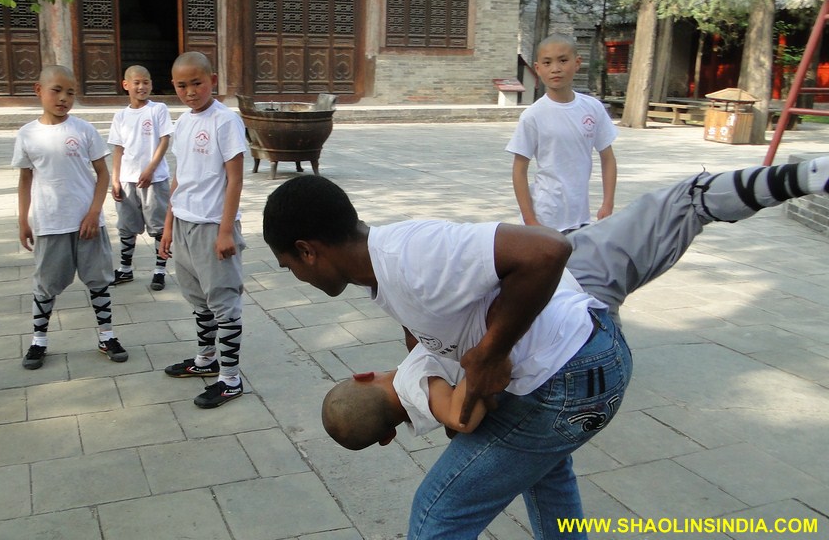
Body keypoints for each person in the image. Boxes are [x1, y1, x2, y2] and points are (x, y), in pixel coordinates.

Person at [263, 153, 829, 540]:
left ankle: (792, 177)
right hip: (583, 339)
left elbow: (545, 250)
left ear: (309, 250)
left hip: (568, 368)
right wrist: (453, 353)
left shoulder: (408, 256)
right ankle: (769, 182)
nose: (294, 276)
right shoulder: (386, 277)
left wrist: (487, 354)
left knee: (436, 516)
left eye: (287, 266)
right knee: (541, 470)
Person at [320, 156, 829, 455]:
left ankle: (803, 176)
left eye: (288, 264)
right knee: (686, 200)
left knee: (685, 203)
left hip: (565, 278)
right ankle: (798, 176)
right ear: (364, 375)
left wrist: (478, 359)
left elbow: (538, 255)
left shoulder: (399, 271)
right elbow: (456, 400)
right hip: (571, 291)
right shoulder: (402, 343)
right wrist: (479, 369)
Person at [13, 65, 127, 369]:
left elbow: (102, 174)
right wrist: (23, 219)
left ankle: (107, 335)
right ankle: (39, 341)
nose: (64, 98)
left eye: (70, 92)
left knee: (98, 280)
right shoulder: (27, 134)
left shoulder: (84, 130)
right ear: (39, 90)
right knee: (46, 284)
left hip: (86, 223)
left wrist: (94, 212)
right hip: (50, 222)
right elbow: (25, 180)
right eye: (56, 90)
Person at [159, 51, 248, 409]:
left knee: (224, 302)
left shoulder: (224, 121)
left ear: (213, 79)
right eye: (182, 85)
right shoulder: (182, 122)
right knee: (198, 300)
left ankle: (230, 379)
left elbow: (235, 177)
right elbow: (180, 177)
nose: (190, 91)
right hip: (184, 222)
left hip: (213, 226)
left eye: (197, 82)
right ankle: (206, 359)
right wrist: (168, 225)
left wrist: (226, 231)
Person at [508, 34, 618, 233]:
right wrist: (530, 219)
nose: (555, 69)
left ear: (577, 63)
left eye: (563, 60)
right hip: (546, 216)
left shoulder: (592, 108)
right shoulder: (533, 115)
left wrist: (607, 203)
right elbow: (519, 169)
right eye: (547, 63)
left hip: (581, 216)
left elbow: (608, 158)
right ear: (538, 68)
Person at [108, 65, 174, 291]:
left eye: (146, 82)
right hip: (127, 180)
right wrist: (115, 179)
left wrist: (150, 168)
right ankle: (125, 269)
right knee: (126, 227)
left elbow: (165, 140)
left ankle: (159, 270)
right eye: (136, 82)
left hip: (154, 180)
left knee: (159, 227)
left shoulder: (158, 110)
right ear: (126, 85)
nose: (141, 86)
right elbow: (118, 148)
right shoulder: (121, 116)